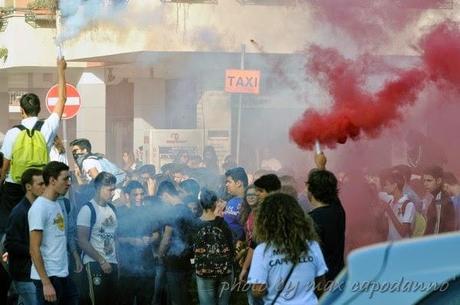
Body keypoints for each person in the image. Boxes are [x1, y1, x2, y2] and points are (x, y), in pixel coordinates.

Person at [1, 58, 67, 240]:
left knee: (11, 226)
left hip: (15, 186)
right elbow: (62, 99)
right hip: (39, 184)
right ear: (38, 110)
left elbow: (5, 166)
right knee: (38, 226)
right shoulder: (47, 127)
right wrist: (61, 70)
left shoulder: (12, 133)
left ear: (21, 111)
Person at [247, 193, 327, 305]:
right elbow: (321, 284)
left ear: (265, 221)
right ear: (298, 216)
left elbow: (258, 291)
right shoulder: (312, 245)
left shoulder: (262, 250)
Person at [28, 161, 79, 305]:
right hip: (48, 277)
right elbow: (34, 249)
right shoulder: (39, 208)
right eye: (65, 179)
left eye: (69, 179)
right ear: (52, 180)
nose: (68, 183)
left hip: (62, 274)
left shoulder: (57, 204)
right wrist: (46, 283)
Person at [5, 168, 45, 305]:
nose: (44, 187)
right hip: (25, 275)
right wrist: (33, 250)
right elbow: (10, 244)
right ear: (28, 187)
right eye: (40, 184)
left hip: (35, 273)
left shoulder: (38, 208)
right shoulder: (20, 211)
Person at [77, 172, 118, 305]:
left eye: (114, 189)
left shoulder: (112, 209)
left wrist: (117, 261)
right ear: (99, 188)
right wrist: (101, 260)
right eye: (110, 190)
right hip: (94, 264)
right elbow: (82, 241)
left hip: (112, 262)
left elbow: (114, 236)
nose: (113, 193)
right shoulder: (87, 209)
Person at [193, 188, 235, 305]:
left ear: (201, 204)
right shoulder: (223, 223)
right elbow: (231, 246)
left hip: (204, 271)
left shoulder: (195, 224)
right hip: (225, 271)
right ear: (215, 203)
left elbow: (191, 248)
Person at [117, 180, 155, 305]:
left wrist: (150, 239)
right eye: (135, 195)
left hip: (147, 265)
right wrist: (131, 240)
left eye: (141, 194)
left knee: (146, 300)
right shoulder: (120, 212)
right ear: (128, 195)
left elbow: (157, 233)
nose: (139, 197)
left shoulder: (148, 211)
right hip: (127, 267)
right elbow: (114, 238)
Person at [307, 169, 346, 282]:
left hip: (322, 281)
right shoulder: (338, 211)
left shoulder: (311, 219)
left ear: (311, 191)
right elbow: (332, 192)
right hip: (339, 276)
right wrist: (321, 166)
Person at [380, 172, 416, 241]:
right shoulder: (391, 202)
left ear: (394, 185)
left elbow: (403, 233)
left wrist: (389, 210)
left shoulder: (408, 205)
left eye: (386, 185)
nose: (384, 188)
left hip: (403, 247)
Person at [423, 166, 456, 235]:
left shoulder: (442, 201)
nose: (425, 184)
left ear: (438, 181)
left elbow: (438, 230)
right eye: (424, 180)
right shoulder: (436, 198)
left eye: (429, 180)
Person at [223, 167, 248, 242]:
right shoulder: (231, 201)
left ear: (238, 183)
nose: (226, 185)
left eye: (229, 182)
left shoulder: (248, 203)